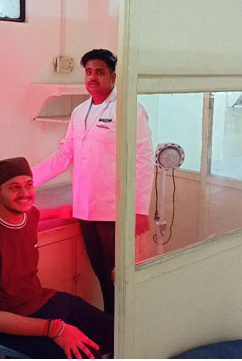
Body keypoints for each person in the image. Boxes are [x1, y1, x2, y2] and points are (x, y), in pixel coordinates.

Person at [32, 49, 154, 315]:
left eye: (99, 72)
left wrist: (140, 210)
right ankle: (111, 328)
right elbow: (65, 155)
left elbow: (143, 160)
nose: (92, 77)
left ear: (113, 76)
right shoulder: (79, 112)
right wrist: (29, 180)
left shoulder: (130, 110)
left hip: (114, 211)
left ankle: (123, 330)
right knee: (102, 276)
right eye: (88, 72)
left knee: (118, 276)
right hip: (86, 209)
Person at [0, 157, 113, 359]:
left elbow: (37, 213)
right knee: (85, 355)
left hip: (43, 301)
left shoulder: (29, 214)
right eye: (14, 187)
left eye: (29, 185)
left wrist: (58, 212)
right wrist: (55, 329)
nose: (24, 194)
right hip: (10, 324)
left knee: (117, 331)